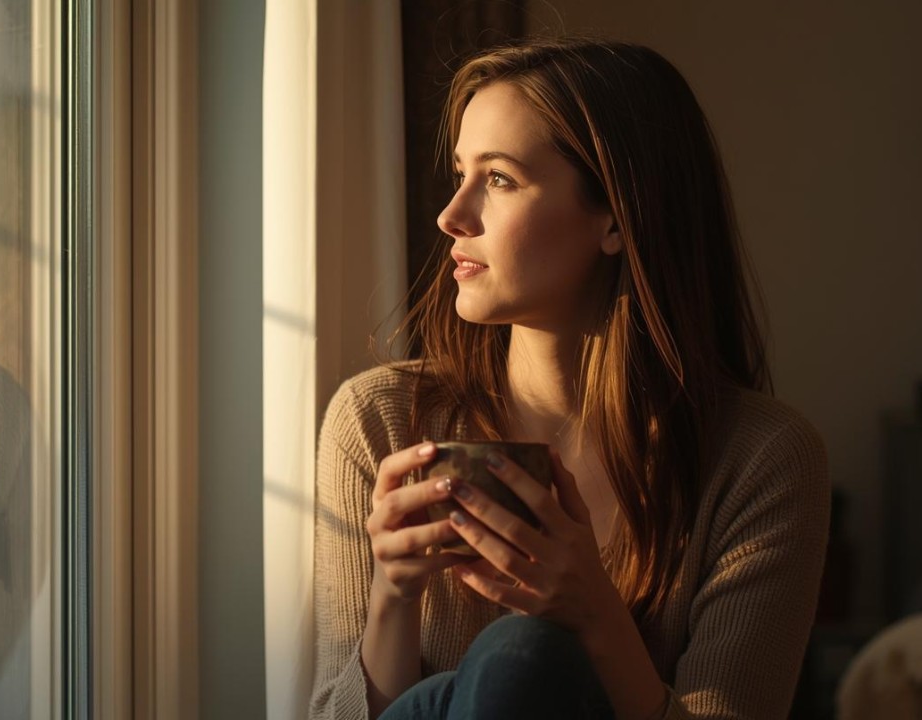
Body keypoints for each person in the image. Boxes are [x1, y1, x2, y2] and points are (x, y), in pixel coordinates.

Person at [310, 38, 830, 720]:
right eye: (460, 173)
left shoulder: (760, 460)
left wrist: (594, 615)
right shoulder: (380, 420)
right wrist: (393, 597)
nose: (451, 216)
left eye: (497, 179)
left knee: (526, 659)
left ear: (617, 217)